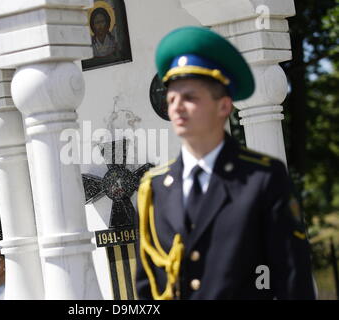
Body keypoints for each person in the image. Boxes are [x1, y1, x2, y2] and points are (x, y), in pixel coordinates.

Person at [135, 26, 316, 300]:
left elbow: (292, 280)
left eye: (190, 97)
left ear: (224, 106)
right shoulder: (155, 189)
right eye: (172, 98)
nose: (177, 107)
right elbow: (147, 289)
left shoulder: (262, 178)